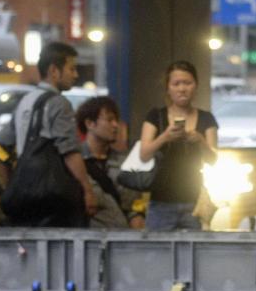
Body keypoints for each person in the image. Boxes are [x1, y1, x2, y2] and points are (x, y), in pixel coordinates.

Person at [0, 41, 97, 226]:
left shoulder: (24, 101)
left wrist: (10, 182)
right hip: (54, 199)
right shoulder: (59, 103)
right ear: (54, 70)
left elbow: (1, 146)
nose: (75, 75)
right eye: (72, 69)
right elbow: (70, 152)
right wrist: (87, 190)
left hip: (26, 197)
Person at [139, 60, 218, 230]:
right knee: (158, 254)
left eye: (187, 83)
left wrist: (201, 141)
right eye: (176, 84)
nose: (182, 88)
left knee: (192, 254)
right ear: (168, 88)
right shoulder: (155, 115)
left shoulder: (206, 118)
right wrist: (165, 137)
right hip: (160, 202)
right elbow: (143, 155)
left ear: (195, 85)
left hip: (194, 202)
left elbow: (213, 160)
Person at [75, 96, 144, 229]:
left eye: (116, 120)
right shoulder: (75, 162)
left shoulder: (124, 161)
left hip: (121, 238)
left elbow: (133, 204)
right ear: (90, 123)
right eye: (109, 119)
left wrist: (137, 217)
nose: (115, 125)